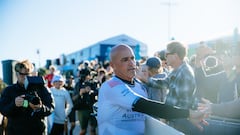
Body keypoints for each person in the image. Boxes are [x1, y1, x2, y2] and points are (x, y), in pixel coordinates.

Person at [97, 44, 207, 135]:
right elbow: (146, 106)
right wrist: (188, 114)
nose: (131, 63)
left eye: (132, 58)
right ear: (113, 65)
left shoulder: (139, 86)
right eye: (125, 60)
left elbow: (147, 117)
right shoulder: (110, 86)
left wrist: (185, 117)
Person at [0, 60, 55, 135]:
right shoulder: (9, 90)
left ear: (31, 74)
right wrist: (14, 104)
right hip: (15, 132)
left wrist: (39, 108)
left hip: (37, 131)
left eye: (27, 74)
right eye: (22, 74)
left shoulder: (41, 88)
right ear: (16, 74)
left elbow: (51, 107)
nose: (25, 77)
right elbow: (3, 110)